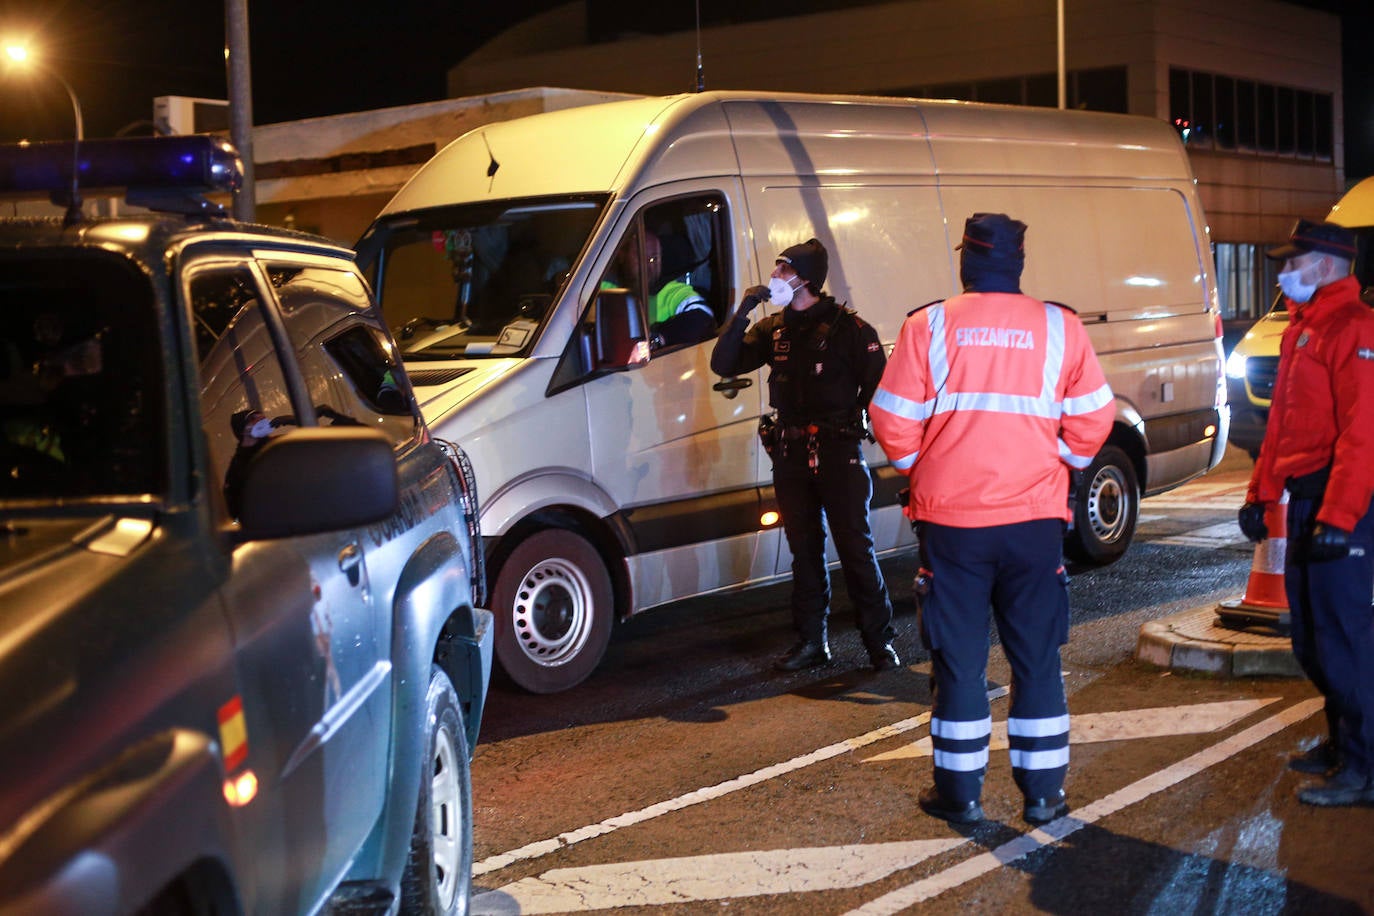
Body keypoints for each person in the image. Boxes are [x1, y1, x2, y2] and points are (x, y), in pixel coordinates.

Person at [869, 213, 1113, 827]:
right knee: (1036, 660)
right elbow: (1092, 419)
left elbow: (892, 421)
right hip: (1033, 521)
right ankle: (1043, 796)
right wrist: (1057, 462)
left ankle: (960, 795)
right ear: (1018, 263)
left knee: (959, 661)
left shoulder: (928, 325)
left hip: (952, 526)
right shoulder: (1061, 326)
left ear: (966, 262)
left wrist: (926, 466)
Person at [710, 237, 899, 673]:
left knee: (855, 549)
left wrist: (872, 430)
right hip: (791, 454)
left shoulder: (851, 330)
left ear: (807, 278)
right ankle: (812, 642)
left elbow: (879, 393)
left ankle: (879, 643)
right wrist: (741, 314)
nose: (775, 276)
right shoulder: (773, 329)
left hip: (838, 452)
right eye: (776, 269)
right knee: (805, 552)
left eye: (783, 269)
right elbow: (725, 364)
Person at [1238, 218, 1374, 808]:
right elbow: (1282, 430)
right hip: (1306, 504)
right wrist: (1259, 493)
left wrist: (1339, 520)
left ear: (1325, 265)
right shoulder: (1302, 329)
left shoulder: (1355, 328)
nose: (1284, 271)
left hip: (1343, 507)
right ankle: (1342, 743)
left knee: (1345, 638)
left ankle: (1365, 767)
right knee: (1313, 641)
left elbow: (1363, 435)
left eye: (1294, 262)